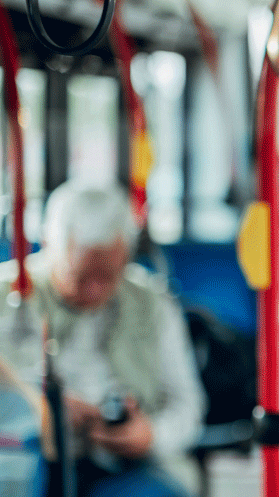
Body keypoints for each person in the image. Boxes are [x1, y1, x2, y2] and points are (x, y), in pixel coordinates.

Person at [0, 182, 205, 497]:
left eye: (108, 277)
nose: (94, 291)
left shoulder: (153, 304)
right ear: (48, 246)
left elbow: (187, 405)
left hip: (126, 469)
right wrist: (39, 407)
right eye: (80, 277)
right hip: (25, 458)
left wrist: (151, 435)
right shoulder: (10, 294)